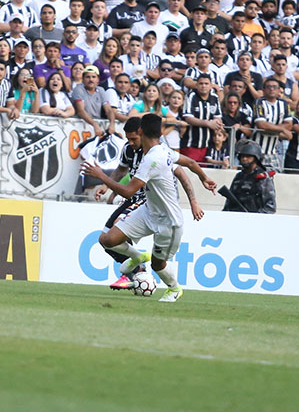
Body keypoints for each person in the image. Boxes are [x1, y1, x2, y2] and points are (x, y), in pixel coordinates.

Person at [81, 113, 217, 303]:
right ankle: (137, 257)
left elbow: (128, 192)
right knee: (107, 239)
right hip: (148, 211)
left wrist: (101, 176)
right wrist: (204, 178)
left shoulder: (152, 159)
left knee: (158, 264)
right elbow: (191, 162)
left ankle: (174, 288)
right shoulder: (163, 151)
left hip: (168, 221)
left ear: (140, 131)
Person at [222, 141, 276, 213]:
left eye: (248, 156)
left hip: (255, 219)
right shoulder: (239, 177)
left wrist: (253, 217)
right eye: (242, 156)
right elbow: (228, 203)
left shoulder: (263, 178)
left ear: (256, 158)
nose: (244, 159)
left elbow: (270, 207)